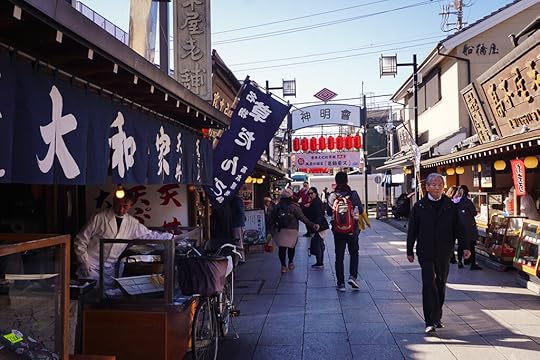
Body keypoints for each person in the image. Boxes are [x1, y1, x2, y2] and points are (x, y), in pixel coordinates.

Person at [406, 173, 470, 334]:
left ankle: (437, 316)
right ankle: (429, 321)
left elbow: (459, 228)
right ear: (427, 187)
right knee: (429, 284)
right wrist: (409, 250)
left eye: (440, 185)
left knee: (440, 283)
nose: (437, 187)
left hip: (444, 251)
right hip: (425, 251)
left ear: (443, 187)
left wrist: (465, 247)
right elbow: (412, 229)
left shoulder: (450, 206)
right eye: (433, 184)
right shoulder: (419, 206)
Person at [74, 190, 172, 287]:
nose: (121, 210)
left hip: (109, 270)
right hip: (90, 266)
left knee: (107, 298)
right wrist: (84, 262)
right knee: (90, 296)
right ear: (113, 201)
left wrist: (173, 238)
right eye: (118, 205)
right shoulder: (99, 218)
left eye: (125, 207)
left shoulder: (132, 223)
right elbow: (80, 240)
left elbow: (150, 236)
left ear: (131, 205)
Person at [326, 171, 363, 291]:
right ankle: (353, 276)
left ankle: (340, 283)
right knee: (354, 253)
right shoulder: (353, 194)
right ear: (347, 180)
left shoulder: (332, 196)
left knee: (339, 256)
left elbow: (329, 212)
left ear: (336, 182)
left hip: (338, 231)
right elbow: (361, 211)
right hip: (352, 229)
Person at [271, 188, 319, 273]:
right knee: (291, 247)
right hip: (292, 230)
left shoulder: (277, 207)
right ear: (291, 197)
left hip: (280, 229)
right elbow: (302, 218)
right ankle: (290, 262)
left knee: (282, 249)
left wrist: (270, 230)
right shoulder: (294, 207)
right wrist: (312, 225)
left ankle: (283, 266)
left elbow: (271, 219)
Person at [452, 185, 482, 270]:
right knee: (471, 245)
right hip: (469, 226)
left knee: (461, 245)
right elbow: (474, 213)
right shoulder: (468, 202)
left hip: (458, 226)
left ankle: (460, 262)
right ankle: (472, 264)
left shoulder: (454, 201)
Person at [306, 187, 329, 268]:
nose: (310, 195)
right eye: (309, 194)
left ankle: (320, 262)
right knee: (319, 243)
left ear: (316, 193)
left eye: (311, 193)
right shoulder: (315, 201)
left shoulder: (316, 202)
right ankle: (319, 261)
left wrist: (317, 224)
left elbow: (319, 214)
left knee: (318, 244)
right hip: (321, 225)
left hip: (320, 226)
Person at [230, 194, 246, 262]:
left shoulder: (235, 200)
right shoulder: (239, 200)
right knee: (239, 240)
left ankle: (241, 258)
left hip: (237, 223)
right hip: (240, 222)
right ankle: (240, 257)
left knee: (238, 241)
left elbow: (238, 212)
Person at [445, 185, 459, 264]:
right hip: (449, 227)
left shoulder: (450, 201)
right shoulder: (450, 203)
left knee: (451, 243)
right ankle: (451, 257)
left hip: (451, 226)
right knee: (450, 242)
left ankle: (451, 257)